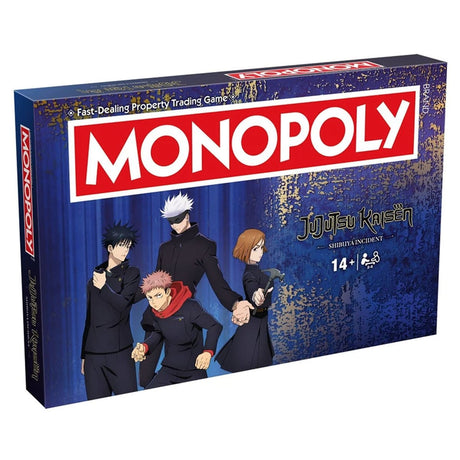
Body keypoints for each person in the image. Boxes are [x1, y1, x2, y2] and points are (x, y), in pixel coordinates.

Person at [138, 192, 252, 386]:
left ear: (187, 215)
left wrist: (235, 303)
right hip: (158, 313)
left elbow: (217, 281)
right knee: (145, 378)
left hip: (186, 314)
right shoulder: (165, 248)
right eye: (171, 222)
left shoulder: (204, 246)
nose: (175, 225)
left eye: (178, 219)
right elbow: (154, 281)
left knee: (190, 373)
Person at [132, 270, 222, 388]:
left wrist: (208, 352)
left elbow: (214, 326)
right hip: (169, 369)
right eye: (150, 298)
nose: (154, 302)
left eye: (158, 295)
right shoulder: (156, 312)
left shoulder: (190, 306)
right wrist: (145, 347)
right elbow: (158, 333)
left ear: (168, 292)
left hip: (194, 370)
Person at [80, 222, 140, 400]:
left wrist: (104, 287)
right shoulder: (93, 281)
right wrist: (84, 355)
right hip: (94, 355)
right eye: (122, 245)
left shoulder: (132, 273)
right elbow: (89, 319)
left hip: (120, 352)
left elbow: (123, 305)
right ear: (110, 248)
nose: (125, 250)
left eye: (128, 246)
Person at [216, 228, 275, 372]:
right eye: (255, 248)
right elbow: (251, 286)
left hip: (261, 319)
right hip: (254, 319)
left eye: (261, 247)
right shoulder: (249, 274)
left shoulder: (258, 271)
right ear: (246, 249)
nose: (260, 252)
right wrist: (256, 295)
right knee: (247, 357)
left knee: (258, 357)